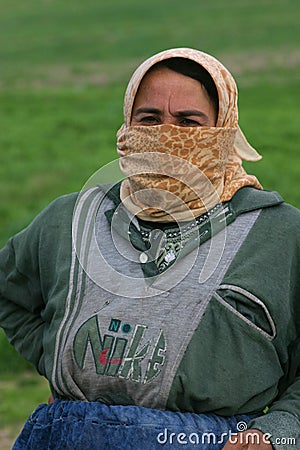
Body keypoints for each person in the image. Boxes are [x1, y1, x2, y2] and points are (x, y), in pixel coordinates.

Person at [0, 47, 299, 450]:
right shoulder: (71, 219)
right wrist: (59, 359)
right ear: (127, 125)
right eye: (149, 119)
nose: (166, 135)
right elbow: (9, 292)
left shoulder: (281, 236)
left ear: (223, 131)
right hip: (70, 435)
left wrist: (275, 432)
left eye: (189, 122)